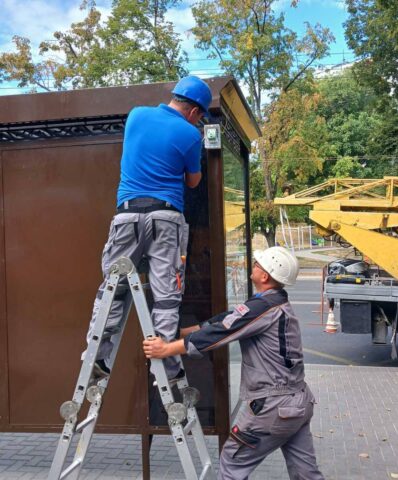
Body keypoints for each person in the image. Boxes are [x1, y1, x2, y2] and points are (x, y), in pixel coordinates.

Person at [143, 247, 325, 480]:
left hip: (273, 406)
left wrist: (166, 349)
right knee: (305, 472)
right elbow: (226, 319)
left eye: (257, 264)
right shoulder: (273, 303)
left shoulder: (263, 308)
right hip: (298, 402)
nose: (253, 266)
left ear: (265, 276)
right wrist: (181, 333)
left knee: (232, 463)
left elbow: (220, 332)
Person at [85, 75, 212, 382]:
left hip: (127, 216)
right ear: (195, 111)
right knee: (166, 294)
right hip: (165, 219)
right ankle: (166, 368)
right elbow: (193, 181)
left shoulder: (136, 115)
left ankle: (96, 356)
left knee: (113, 287)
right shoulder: (190, 134)